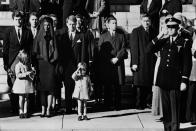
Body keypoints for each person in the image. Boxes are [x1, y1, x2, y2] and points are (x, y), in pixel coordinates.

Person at [147, 17, 192, 131]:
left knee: (174, 109)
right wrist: (160, 35)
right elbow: (148, 49)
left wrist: (184, 80)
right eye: (169, 27)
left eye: (173, 27)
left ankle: (174, 129)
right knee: (166, 109)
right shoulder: (164, 41)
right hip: (163, 79)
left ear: (177, 28)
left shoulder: (184, 42)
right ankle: (167, 129)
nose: (170, 29)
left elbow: (187, 63)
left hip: (176, 80)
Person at [3, 11, 33, 114]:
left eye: (20, 19)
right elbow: (5, 49)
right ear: (13, 20)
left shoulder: (27, 32)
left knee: (24, 83)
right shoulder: (8, 32)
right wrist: (6, 65)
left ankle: (25, 109)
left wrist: (30, 63)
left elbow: (30, 48)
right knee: (13, 84)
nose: (18, 21)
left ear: (23, 20)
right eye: (16, 19)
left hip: (24, 61)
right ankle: (15, 108)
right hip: (12, 61)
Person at [58, 15, 87, 114]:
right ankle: (68, 107)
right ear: (67, 24)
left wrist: (82, 64)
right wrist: (61, 65)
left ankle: (77, 106)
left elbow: (83, 51)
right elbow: (61, 52)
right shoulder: (63, 36)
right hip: (66, 65)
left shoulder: (81, 36)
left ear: (76, 24)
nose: (72, 26)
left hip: (77, 65)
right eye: (70, 24)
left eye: (73, 24)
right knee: (67, 86)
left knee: (77, 86)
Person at [98, 15, 127, 110]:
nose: (115, 25)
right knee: (107, 85)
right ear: (108, 25)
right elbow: (100, 50)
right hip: (107, 64)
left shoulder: (121, 35)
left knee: (117, 85)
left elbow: (123, 48)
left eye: (116, 23)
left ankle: (117, 104)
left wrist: (117, 58)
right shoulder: (103, 36)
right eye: (113, 23)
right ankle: (107, 104)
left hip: (118, 64)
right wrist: (109, 59)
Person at [33, 15, 58, 117]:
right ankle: (43, 110)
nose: (47, 27)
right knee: (42, 89)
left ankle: (48, 109)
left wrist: (53, 60)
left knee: (50, 88)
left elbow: (56, 50)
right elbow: (34, 51)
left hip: (51, 64)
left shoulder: (53, 36)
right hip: (41, 64)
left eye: (48, 25)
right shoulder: (38, 36)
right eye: (45, 25)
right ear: (42, 25)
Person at [130, 14, 157, 110]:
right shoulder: (136, 31)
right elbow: (134, 48)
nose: (147, 22)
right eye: (145, 21)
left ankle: (148, 102)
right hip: (140, 61)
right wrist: (134, 62)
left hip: (150, 61)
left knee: (148, 83)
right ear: (141, 21)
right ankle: (139, 103)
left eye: (148, 20)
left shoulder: (153, 31)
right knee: (139, 84)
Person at [12, 50, 36, 119]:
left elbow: (30, 71)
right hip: (20, 84)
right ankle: (21, 111)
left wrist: (32, 71)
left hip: (27, 84)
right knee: (21, 98)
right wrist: (26, 73)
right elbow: (18, 75)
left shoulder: (27, 64)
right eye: (26, 58)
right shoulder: (18, 65)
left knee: (26, 98)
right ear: (22, 58)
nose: (27, 59)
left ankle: (25, 111)